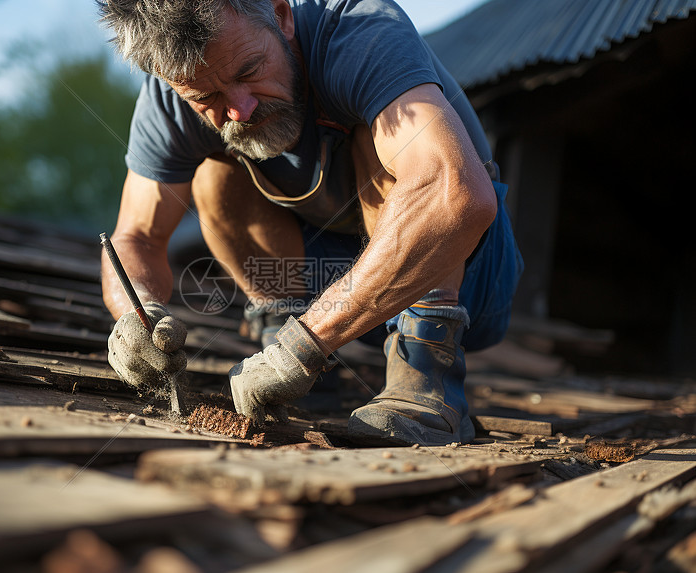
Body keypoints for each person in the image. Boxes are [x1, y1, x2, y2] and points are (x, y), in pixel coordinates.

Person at [98, 0, 523, 446]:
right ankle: (289, 348)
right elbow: (136, 236)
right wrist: (135, 313)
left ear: (281, 15)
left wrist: (306, 343)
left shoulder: (360, 30)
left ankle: (425, 366)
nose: (240, 108)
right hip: (335, 286)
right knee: (214, 168)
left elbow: (454, 195)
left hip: (469, 276)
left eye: (249, 72)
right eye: (207, 98)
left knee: (385, 140)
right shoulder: (171, 96)